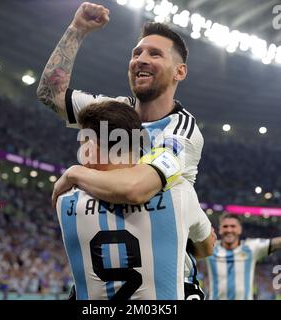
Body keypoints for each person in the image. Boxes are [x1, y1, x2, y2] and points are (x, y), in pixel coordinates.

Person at [37, 2, 206, 297]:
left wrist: (76, 173)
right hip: (104, 272)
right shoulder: (111, 111)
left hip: (164, 281)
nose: (141, 59)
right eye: (136, 53)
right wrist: (77, 30)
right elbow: (49, 94)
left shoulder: (181, 132)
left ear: (180, 71)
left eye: (155, 53)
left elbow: (136, 189)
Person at [56, 100, 214, 300]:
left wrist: (73, 173)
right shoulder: (179, 193)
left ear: (91, 149)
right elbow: (207, 247)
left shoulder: (65, 202)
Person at [205, 213, 281, 300]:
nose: (229, 230)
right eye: (225, 226)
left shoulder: (251, 248)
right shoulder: (210, 248)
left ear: (240, 229)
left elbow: (276, 243)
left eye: (233, 226)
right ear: (219, 230)